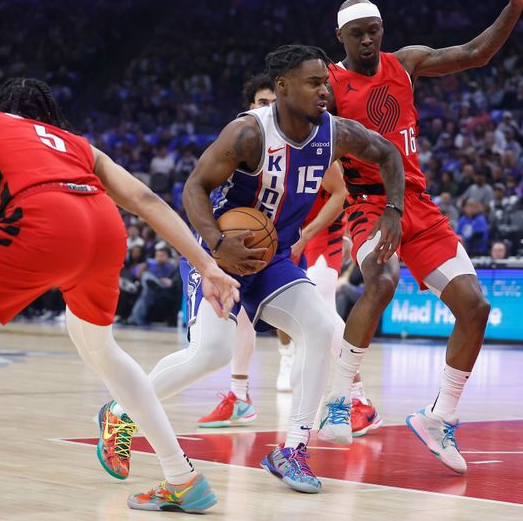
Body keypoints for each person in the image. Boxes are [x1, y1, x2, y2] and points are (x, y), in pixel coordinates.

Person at [0, 78, 240, 513]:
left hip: (45, 222)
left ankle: (179, 473)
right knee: (103, 352)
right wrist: (207, 266)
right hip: (103, 229)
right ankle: (182, 477)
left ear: (5, 109)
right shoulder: (76, 143)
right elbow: (145, 198)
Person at [95, 45, 405, 494]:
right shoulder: (247, 133)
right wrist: (218, 244)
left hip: (272, 256)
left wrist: (393, 209)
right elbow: (194, 187)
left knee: (319, 328)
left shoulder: (335, 133)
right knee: (212, 353)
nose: (324, 90)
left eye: (326, 82)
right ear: (281, 86)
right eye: (313, 82)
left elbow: (388, 154)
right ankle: (120, 414)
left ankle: (294, 449)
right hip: (219, 254)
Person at [319, 0, 523, 476]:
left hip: (418, 204)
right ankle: (338, 400)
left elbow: (474, 54)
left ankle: (440, 418)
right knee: (383, 280)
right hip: (371, 204)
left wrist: (514, 7)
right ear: (341, 37)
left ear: (382, 30)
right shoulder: (327, 82)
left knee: (475, 308)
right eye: (357, 34)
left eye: (374, 31)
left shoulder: (406, 62)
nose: (367, 40)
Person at [196, 74, 348, 429]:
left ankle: (352, 395)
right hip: (253, 238)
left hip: (301, 237)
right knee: (238, 321)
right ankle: (240, 393)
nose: (269, 109)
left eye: (272, 103)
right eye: (262, 104)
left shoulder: (311, 137)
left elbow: (339, 191)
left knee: (321, 314)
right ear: (251, 108)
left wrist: (307, 234)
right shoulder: (245, 138)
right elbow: (200, 187)